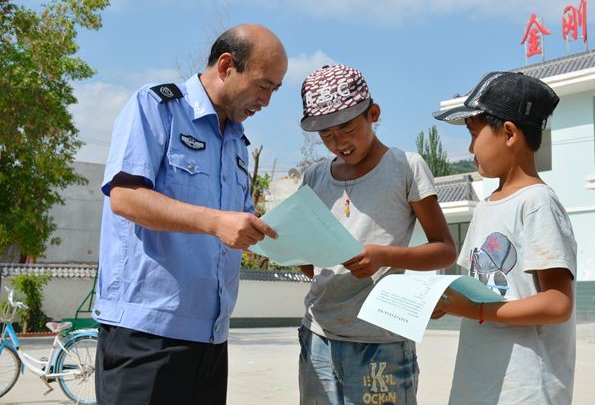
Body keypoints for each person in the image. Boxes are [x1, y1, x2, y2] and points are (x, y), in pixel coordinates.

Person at [93, 24, 288, 405]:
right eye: (263, 85)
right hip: (146, 336)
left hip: (211, 340)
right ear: (227, 65)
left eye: (274, 91)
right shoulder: (156, 107)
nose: (266, 101)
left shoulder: (237, 141)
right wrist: (216, 221)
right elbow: (125, 198)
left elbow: (238, 225)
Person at [297, 63, 456, 405]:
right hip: (319, 335)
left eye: (346, 128)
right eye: (325, 135)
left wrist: (383, 256)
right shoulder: (314, 178)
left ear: (373, 114)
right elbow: (311, 267)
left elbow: (444, 250)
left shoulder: (405, 167)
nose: (338, 142)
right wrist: (293, 249)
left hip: (380, 339)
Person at [432, 71, 577, 405]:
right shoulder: (486, 207)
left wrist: (477, 310)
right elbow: (480, 287)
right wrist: (446, 303)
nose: (470, 148)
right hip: (481, 383)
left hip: (524, 389)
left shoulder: (537, 202)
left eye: (473, 134)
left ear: (509, 133)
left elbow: (558, 303)